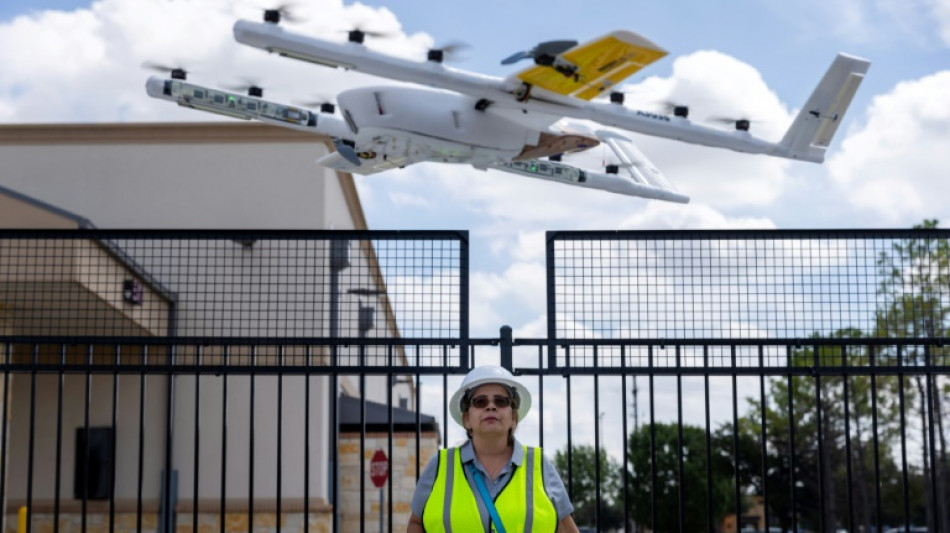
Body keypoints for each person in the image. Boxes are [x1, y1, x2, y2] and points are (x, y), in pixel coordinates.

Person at [406, 365, 580, 533]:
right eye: (480, 402)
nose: (491, 406)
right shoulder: (439, 465)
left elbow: (565, 527)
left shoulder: (540, 465)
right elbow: (416, 522)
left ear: (513, 418)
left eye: (501, 401)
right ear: (466, 418)